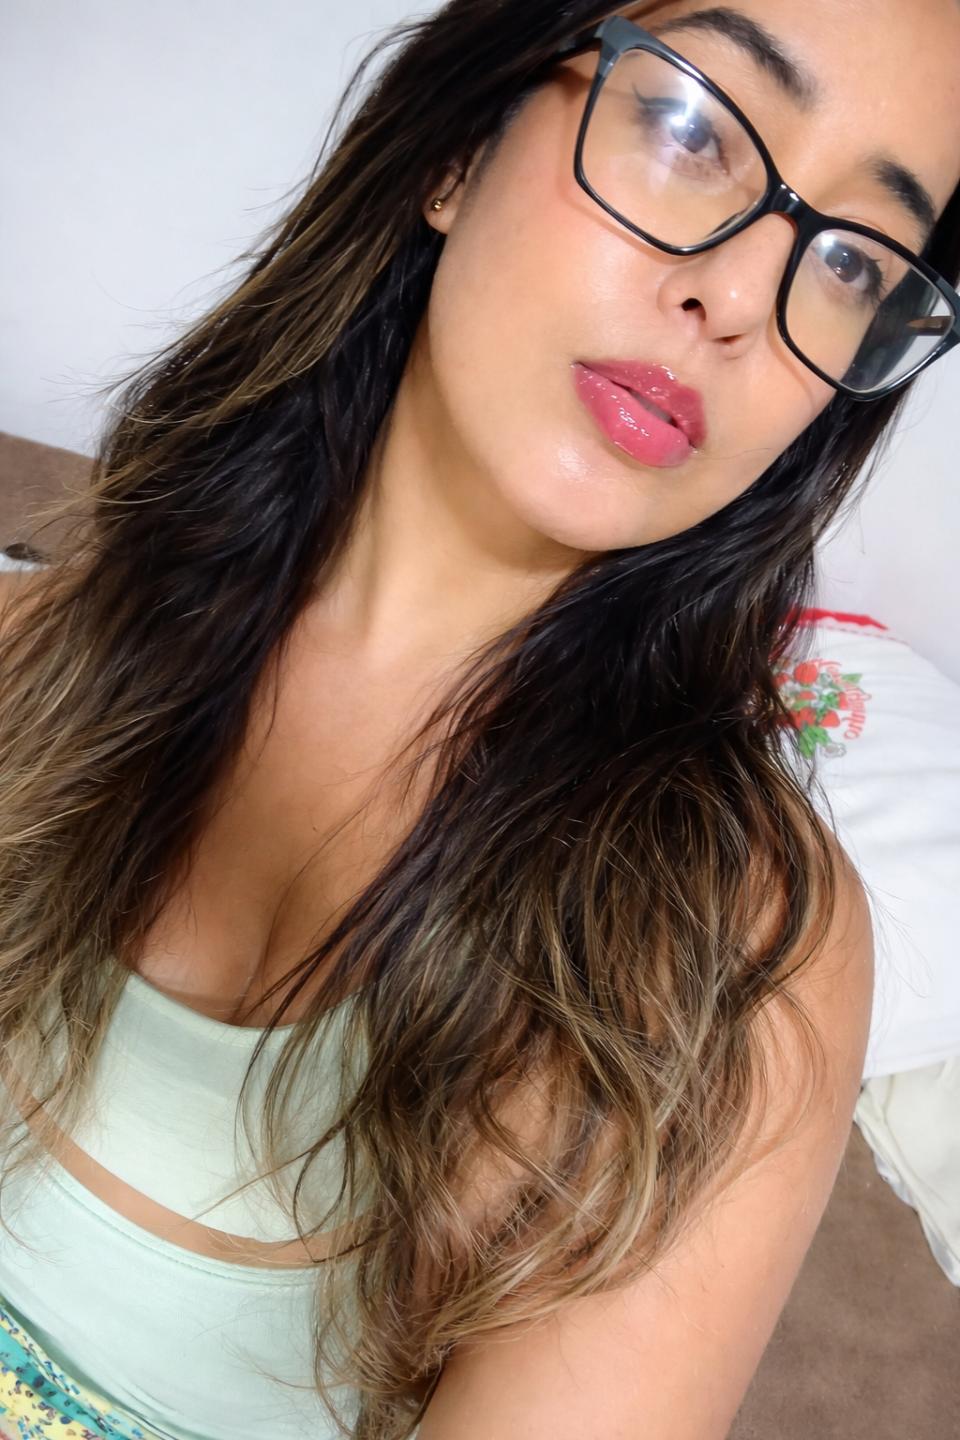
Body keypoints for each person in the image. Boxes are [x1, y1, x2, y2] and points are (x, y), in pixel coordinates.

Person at [0, 1, 958, 1436]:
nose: (741, 300)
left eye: (852, 262)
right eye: (691, 124)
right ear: (459, 145)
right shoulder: (33, 644)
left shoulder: (727, 967)